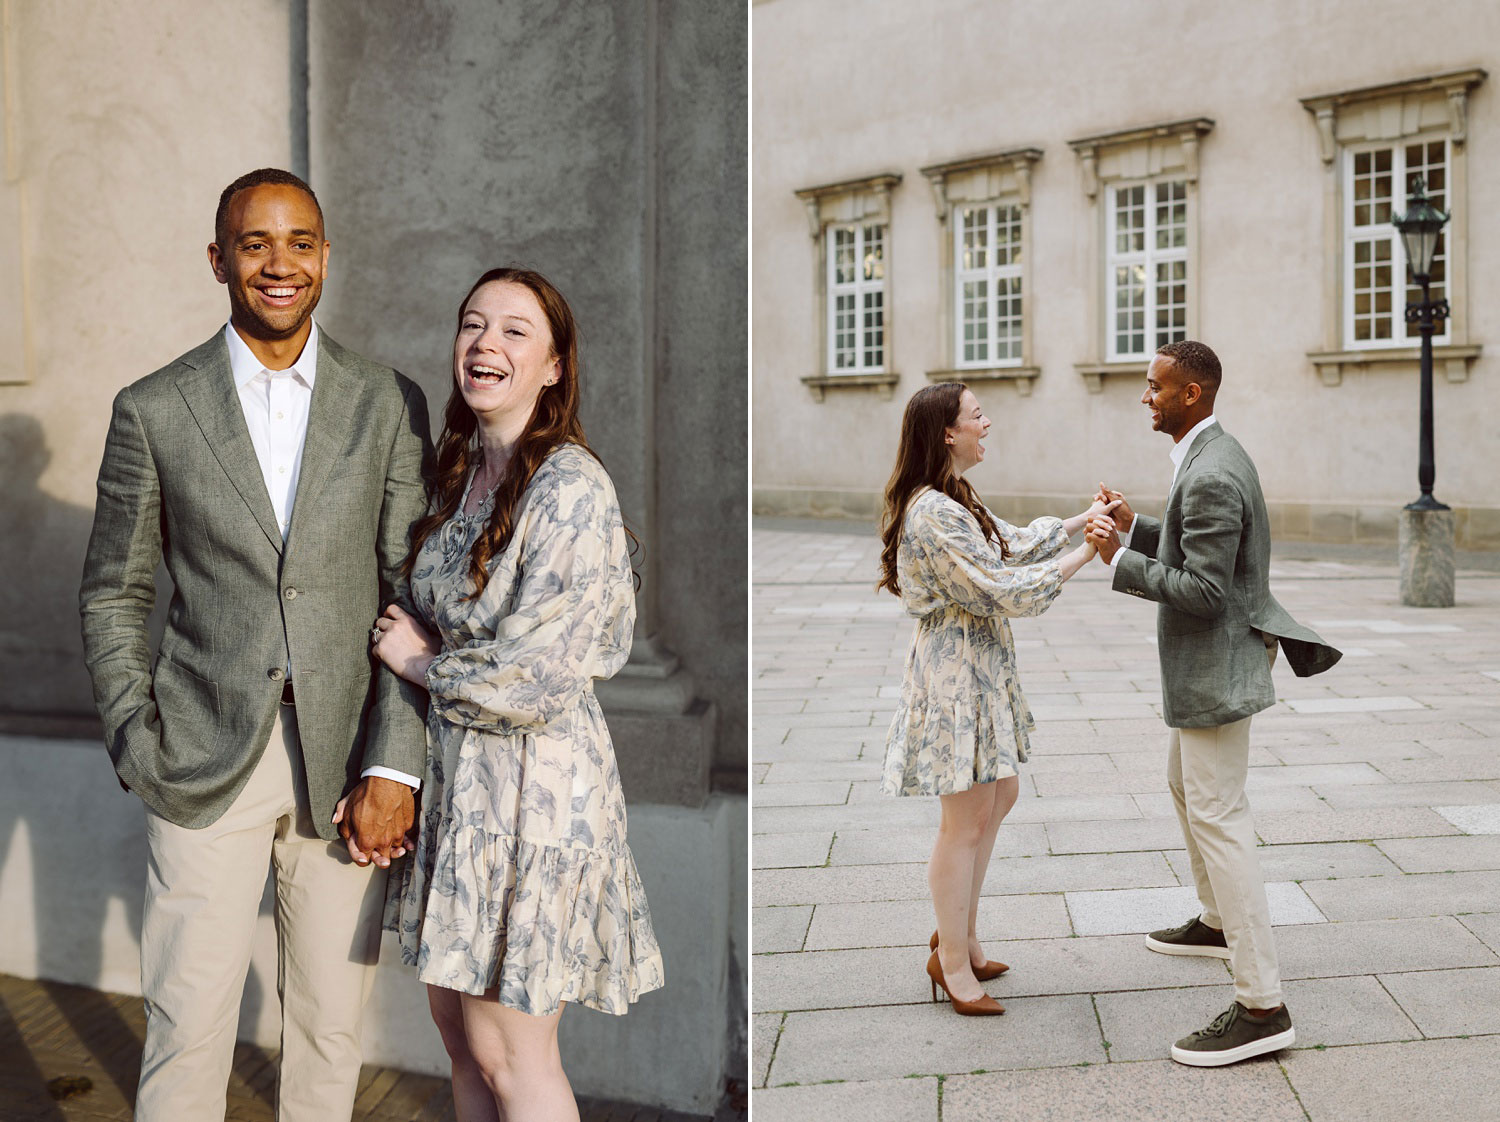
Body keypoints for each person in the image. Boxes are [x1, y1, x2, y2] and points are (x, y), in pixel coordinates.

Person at [78, 168, 431, 1120]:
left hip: (347, 762)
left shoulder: (388, 400)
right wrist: (134, 739)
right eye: (256, 243)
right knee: (187, 1024)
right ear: (219, 259)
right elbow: (115, 591)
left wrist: (395, 765)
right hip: (200, 755)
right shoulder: (153, 408)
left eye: (302, 242)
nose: (281, 263)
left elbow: (414, 595)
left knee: (327, 1029)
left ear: (325, 255)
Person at [373, 267, 665, 1121]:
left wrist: (421, 664)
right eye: (472, 325)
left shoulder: (570, 488)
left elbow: (539, 676)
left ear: (553, 367)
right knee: (461, 1040)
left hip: (534, 797)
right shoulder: (458, 474)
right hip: (462, 795)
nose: (485, 344)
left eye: (513, 331)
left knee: (512, 1054)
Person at [1086, 339, 1340, 1066]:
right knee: (1183, 787)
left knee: (1221, 818)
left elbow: (1207, 591)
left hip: (1218, 669)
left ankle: (1262, 1004)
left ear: (1190, 395)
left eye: (1154, 386)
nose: (1145, 396)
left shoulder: (1213, 473)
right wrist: (1138, 529)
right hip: (1209, 669)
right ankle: (1216, 920)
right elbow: (1202, 549)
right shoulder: (1209, 457)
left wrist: (1121, 562)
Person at [878, 382, 1113, 1016]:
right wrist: (1089, 551)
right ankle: (951, 961)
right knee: (965, 820)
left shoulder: (956, 497)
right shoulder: (934, 511)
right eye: (978, 415)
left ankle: (962, 936)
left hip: (975, 666)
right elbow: (1000, 588)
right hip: (955, 674)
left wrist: (1079, 520)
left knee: (997, 795)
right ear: (948, 433)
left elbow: (1008, 543)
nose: (989, 423)